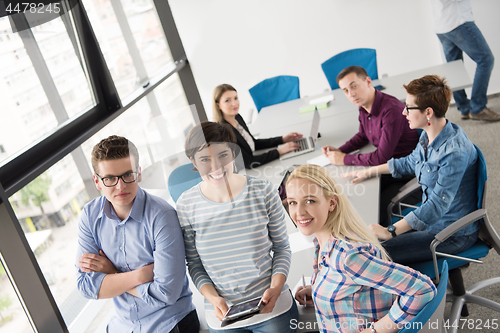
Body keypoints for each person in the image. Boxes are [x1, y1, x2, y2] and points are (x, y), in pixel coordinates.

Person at [342, 75, 480, 265]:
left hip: (450, 233)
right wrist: (370, 171)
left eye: (409, 107)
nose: (404, 112)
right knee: (367, 243)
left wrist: (391, 231)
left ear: (428, 112)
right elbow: (408, 162)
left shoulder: (453, 152)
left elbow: (436, 206)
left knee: (374, 256)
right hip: (430, 221)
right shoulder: (428, 134)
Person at [176, 121, 298, 332]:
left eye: (223, 155)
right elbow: (194, 264)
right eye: (205, 159)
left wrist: (276, 288)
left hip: (273, 306)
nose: (216, 167)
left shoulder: (263, 191)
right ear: (193, 161)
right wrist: (214, 299)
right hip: (222, 316)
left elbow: (282, 248)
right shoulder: (186, 206)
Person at [286, 164, 436, 333]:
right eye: (292, 202)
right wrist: (318, 292)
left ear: (332, 203)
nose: (299, 212)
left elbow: (422, 290)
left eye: (309, 201)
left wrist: (374, 331)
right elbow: (352, 287)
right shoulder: (322, 243)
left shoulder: (348, 257)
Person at [76, 135, 199, 333]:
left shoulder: (163, 216)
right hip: (122, 325)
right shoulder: (90, 216)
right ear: (97, 182)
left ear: (139, 173)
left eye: (127, 174)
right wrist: (141, 275)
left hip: (169, 322)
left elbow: (166, 293)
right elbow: (86, 286)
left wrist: (113, 275)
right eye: (109, 179)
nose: (120, 186)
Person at [321, 66, 420, 224]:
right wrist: (340, 150)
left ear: (368, 81)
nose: (351, 94)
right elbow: (362, 135)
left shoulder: (391, 110)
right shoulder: (364, 106)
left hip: (403, 172)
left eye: (354, 86)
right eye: (345, 90)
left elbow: (381, 157)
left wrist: (344, 159)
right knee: (345, 192)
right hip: (386, 168)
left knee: (365, 211)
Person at [430, 0, 499, 121]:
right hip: (458, 21)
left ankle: (464, 108)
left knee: (455, 68)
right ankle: (478, 108)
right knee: (485, 59)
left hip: (442, 25)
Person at [213, 83, 302, 169]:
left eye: (235, 98)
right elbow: (249, 162)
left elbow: (253, 143)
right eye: (227, 100)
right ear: (218, 105)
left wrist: (282, 139)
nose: (234, 103)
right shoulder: (223, 133)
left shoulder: (237, 117)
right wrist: (279, 151)